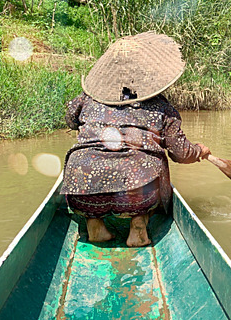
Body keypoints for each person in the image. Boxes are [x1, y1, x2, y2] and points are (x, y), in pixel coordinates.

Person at [61, 32, 210, 247]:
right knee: (145, 174)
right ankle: (138, 225)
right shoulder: (162, 107)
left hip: (83, 192)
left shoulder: (86, 99)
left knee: (87, 171)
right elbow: (181, 153)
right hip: (138, 195)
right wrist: (198, 151)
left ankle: (95, 226)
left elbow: (70, 120)